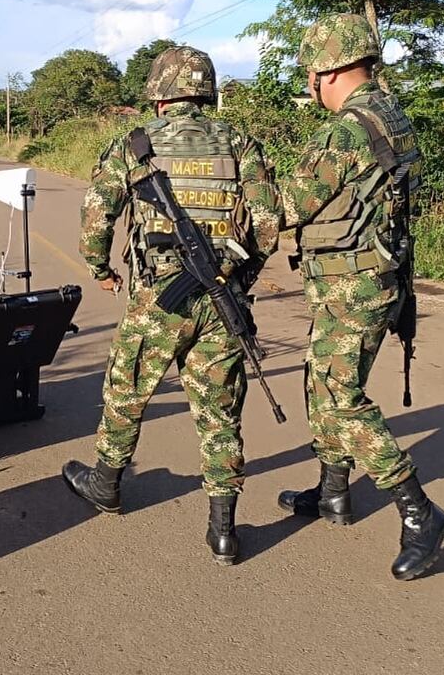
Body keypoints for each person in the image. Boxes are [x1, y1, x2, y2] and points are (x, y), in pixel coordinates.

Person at [62, 46, 281, 565]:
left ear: (159, 94)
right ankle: (223, 529)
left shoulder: (134, 145)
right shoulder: (241, 144)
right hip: (222, 297)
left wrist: (100, 269)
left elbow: (97, 217)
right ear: (207, 92)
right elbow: (270, 224)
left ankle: (106, 484)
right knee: (219, 410)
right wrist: (236, 274)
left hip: (159, 297)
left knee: (126, 389)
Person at [275, 13, 444, 581]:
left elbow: (285, 207)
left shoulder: (345, 131)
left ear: (326, 70)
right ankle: (333, 493)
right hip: (373, 277)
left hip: (353, 284)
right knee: (319, 377)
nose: (309, 80)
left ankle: (420, 512)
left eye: (310, 69)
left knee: (339, 397)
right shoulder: (392, 114)